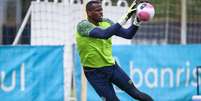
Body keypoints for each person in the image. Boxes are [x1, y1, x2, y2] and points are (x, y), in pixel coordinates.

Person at [75, 0, 153, 101]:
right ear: (89, 13)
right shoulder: (83, 26)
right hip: (94, 73)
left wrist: (137, 20)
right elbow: (104, 34)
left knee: (136, 93)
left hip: (112, 67)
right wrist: (127, 15)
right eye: (97, 10)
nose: (101, 12)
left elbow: (128, 34)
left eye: (101, 10)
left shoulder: (106, 22)